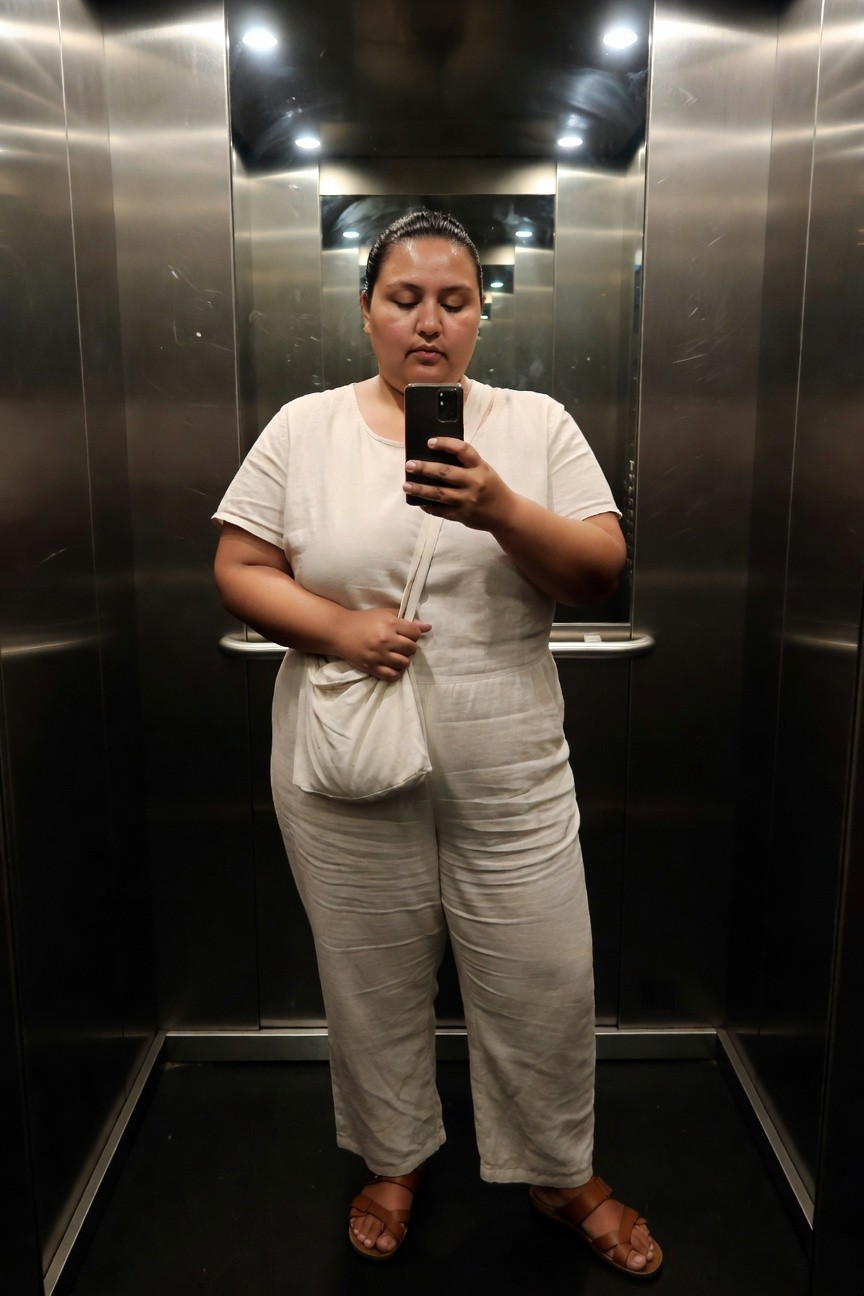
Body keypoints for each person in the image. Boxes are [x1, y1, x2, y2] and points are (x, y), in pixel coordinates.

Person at [213, 210, 662, 1278]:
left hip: (508, 765)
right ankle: (394, 1155)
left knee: (544, 979)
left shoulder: (534, 423)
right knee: (370, 979)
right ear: (367, 309)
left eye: (453, 300)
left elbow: (600, 567)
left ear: (479, 315)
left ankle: (560, 1170)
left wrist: (503, 507)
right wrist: (340, 628)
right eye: (403, 298)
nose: (428, 320)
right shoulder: (304, 428)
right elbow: (239, 565)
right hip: (347, 767)